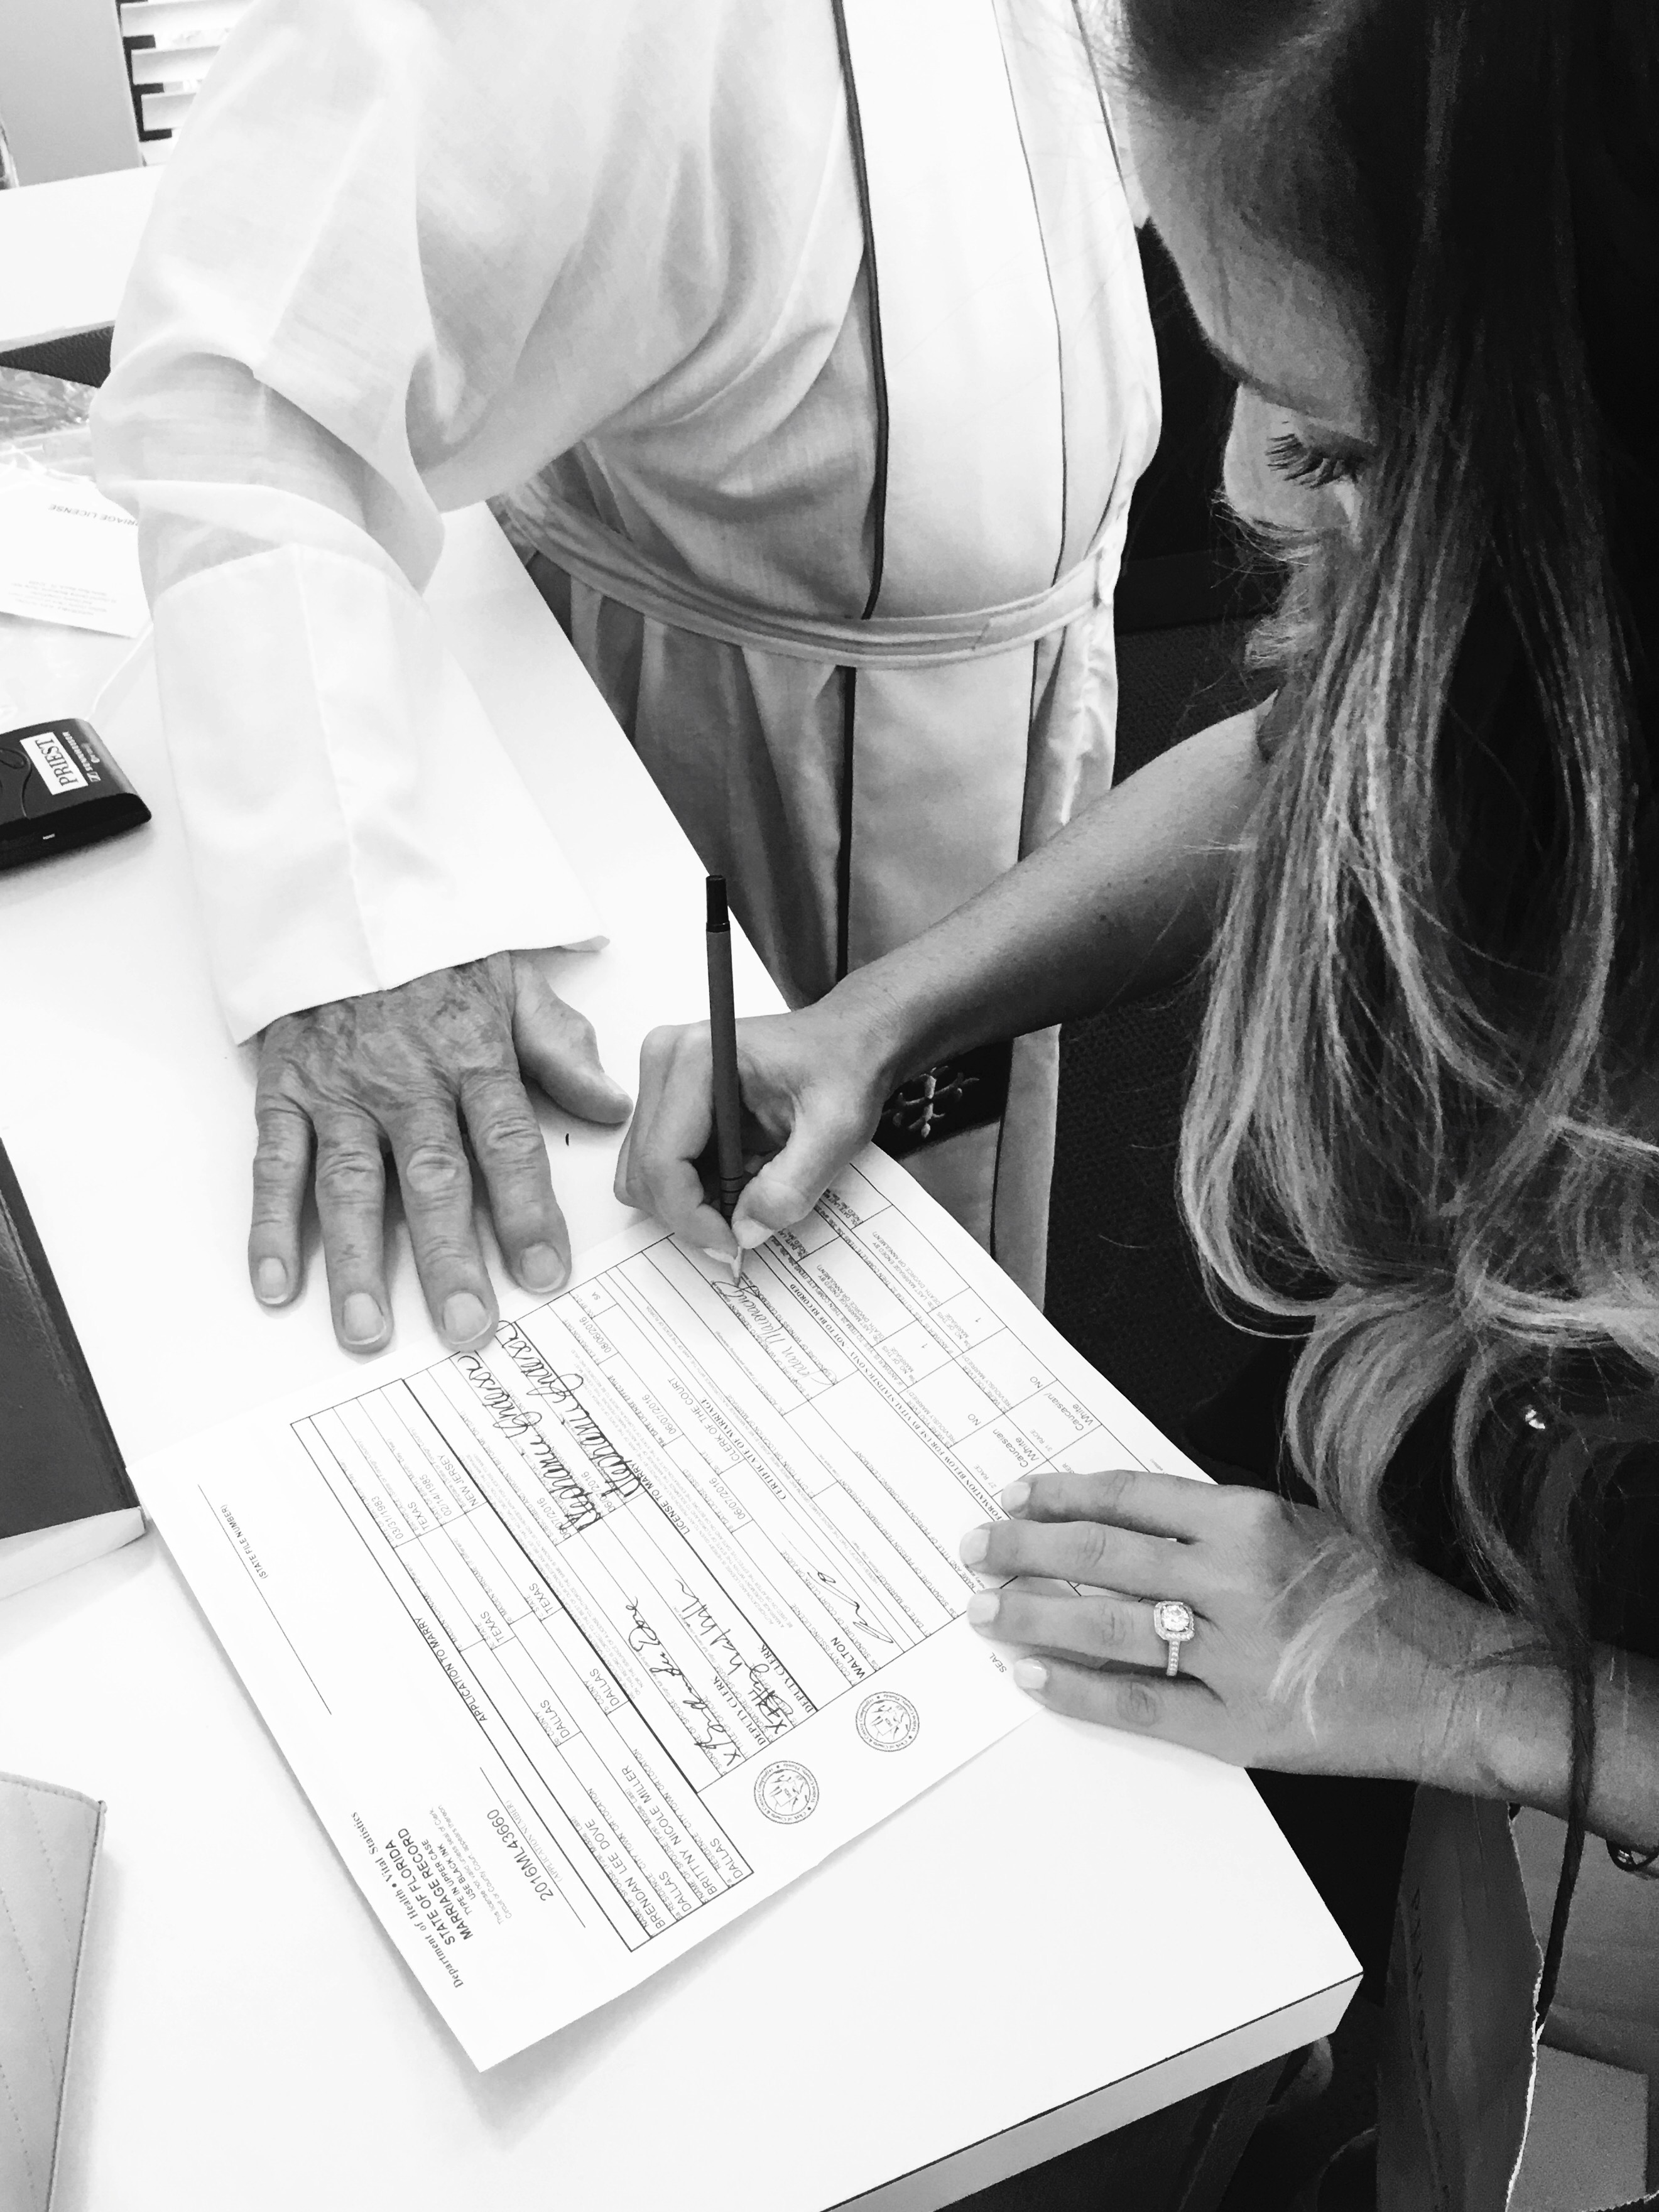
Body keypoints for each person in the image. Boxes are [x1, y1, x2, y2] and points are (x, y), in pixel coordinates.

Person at [621, 0, 1659, 2193]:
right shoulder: (1534, 620)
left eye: (1337, 442)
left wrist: (1462, 1687)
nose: (1240, 494)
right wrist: (882, 1012)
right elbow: (1307, 758)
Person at [92, 0, 1159, 1355]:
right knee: (722, 1285)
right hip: (720, 732)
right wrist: (358, 927)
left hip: (1025, 696)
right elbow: (245, 394)